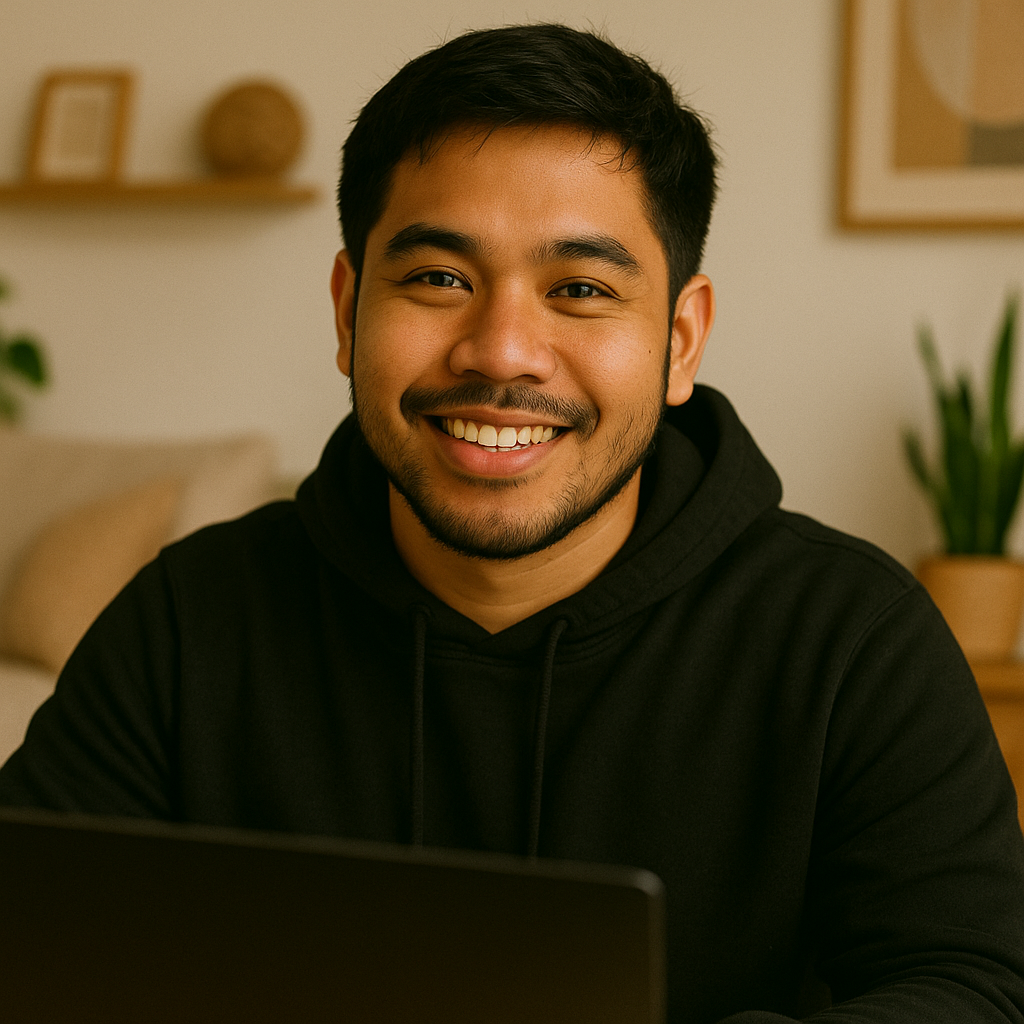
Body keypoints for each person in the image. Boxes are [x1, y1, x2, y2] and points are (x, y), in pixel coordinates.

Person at [1, 23, 1023, 1023]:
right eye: (439, 279)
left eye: (578, 289)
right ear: (347, 307)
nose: (502, 353)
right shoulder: (192, 617)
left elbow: (970, 981)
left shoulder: (852, 635)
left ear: (679, 339)